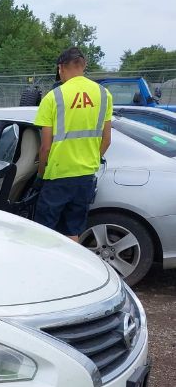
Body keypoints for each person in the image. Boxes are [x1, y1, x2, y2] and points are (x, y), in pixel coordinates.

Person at [33, 47, 113, 241]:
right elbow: (107, 140)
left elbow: (45, 147)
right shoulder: (104, 95)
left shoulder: (53, 97)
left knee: (44, 232)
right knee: (72, 232)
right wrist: (91, 160)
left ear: (60, 68)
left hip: (58, 176)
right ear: (84, 66)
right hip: (85, 175)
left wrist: (41, 174)